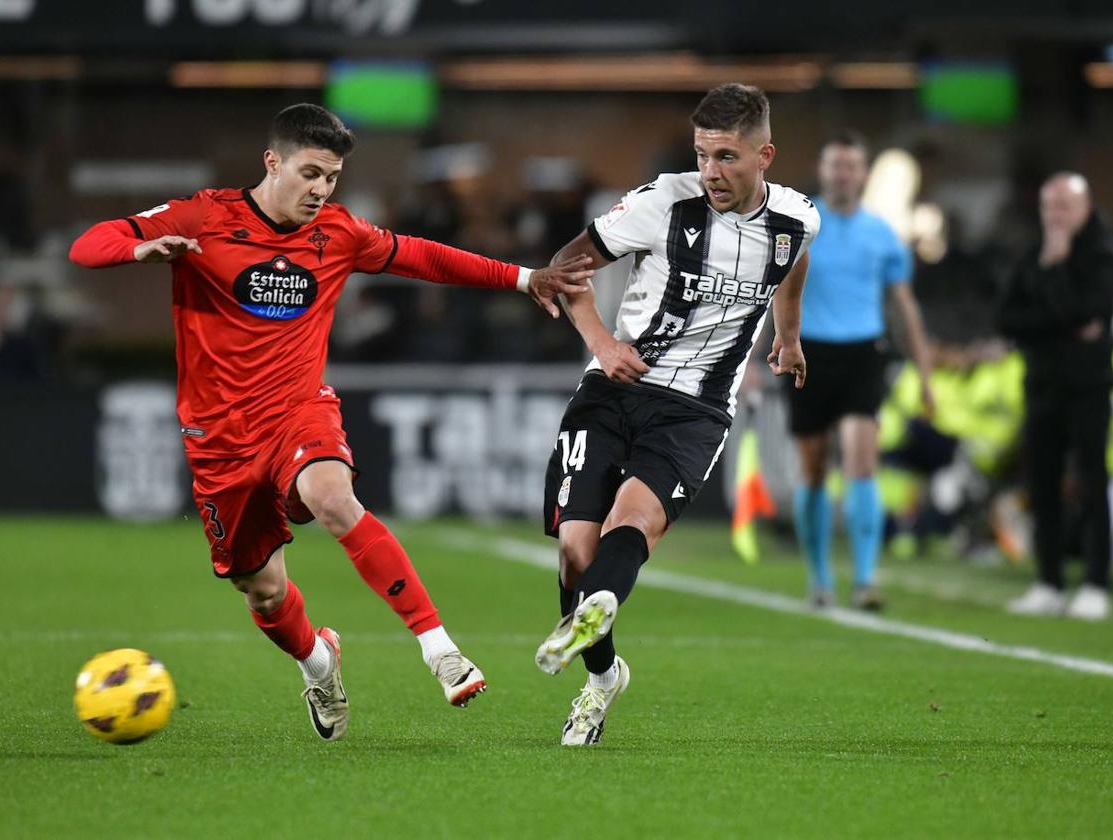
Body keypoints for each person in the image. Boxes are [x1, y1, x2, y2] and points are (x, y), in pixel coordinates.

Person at [69, 103, 594, 741]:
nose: (321, 190)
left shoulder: (338, 233)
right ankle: (319, 660)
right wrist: (139, 248)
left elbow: (422, 258)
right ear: (273, 162)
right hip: (220, 440)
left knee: (331, 495)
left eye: (332, 178)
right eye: (310, 173)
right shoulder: (205, 217)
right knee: (260, 592)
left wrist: (523, 278)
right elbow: (86, 245)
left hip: (299, 411)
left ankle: (439, 648)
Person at [533, 83, 820, 745]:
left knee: (633, 523)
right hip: (611, 392)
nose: (712, 172)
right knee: (578, 552)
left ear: (764, 155)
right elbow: (562, 267)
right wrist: (603, 345)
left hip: (695, 410)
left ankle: (598, 610)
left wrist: (789, 334)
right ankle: (603, 676)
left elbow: (795, 263)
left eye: (726, 157)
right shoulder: (664, 202)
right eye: (703, 155)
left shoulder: (797, 219)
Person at [787, 131, 933, 610]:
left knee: (860, 459)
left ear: (863, 174)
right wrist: (755, 357)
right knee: (812, 470)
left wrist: (925, 372)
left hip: (863, 354)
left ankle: (866, 578)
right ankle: (820, 578)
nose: (843, 174)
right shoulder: (801, 224)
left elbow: (904, 305)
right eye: (836, 165)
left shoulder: (882, 233)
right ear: (822, 170)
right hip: (809, 354)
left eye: (852, 165)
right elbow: (777, 295)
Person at [997, 172, 1113, 621]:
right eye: (1050, 206)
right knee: (1042, 485)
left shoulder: (1102, 256)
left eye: (1065, 205)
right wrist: (1067, 324)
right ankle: (1048, 582)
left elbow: (1091, 311)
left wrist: (1057, 270)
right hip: (1042, 385)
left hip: (1089, 386)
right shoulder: (1032, 254)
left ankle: (1095, 584)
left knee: (1092, 481)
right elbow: (1007, 320)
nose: (1056, 215)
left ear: (1084, 208)